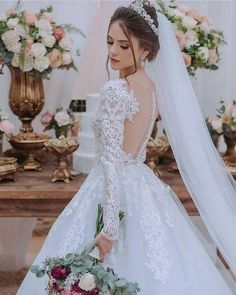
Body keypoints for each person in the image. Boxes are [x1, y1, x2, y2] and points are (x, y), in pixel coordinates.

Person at [17, 0, 236, 294]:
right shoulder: (152, 88)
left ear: (145, 49)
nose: (112, 51)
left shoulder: (116, 91)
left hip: (113, 189)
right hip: (142, 184)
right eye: (110, 42)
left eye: (123, 45)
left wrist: (109, 228)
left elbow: (110, 162)